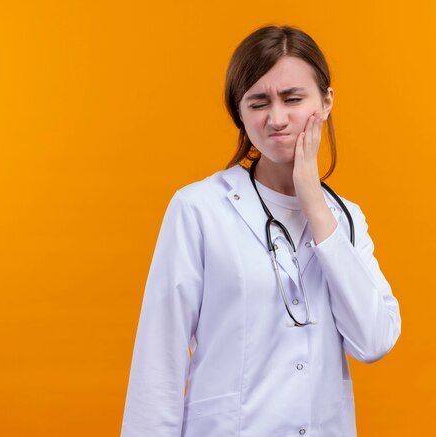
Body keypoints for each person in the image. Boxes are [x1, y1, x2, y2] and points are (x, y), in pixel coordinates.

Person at [121, 25, 401, 437]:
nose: (277, 118)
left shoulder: (345, 218)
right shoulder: (198, 209)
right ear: (240, 112)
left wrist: (315, 206)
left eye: (293, 98)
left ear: (325, 103)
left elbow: (373, 340)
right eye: (258, 102)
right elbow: (157, 365)